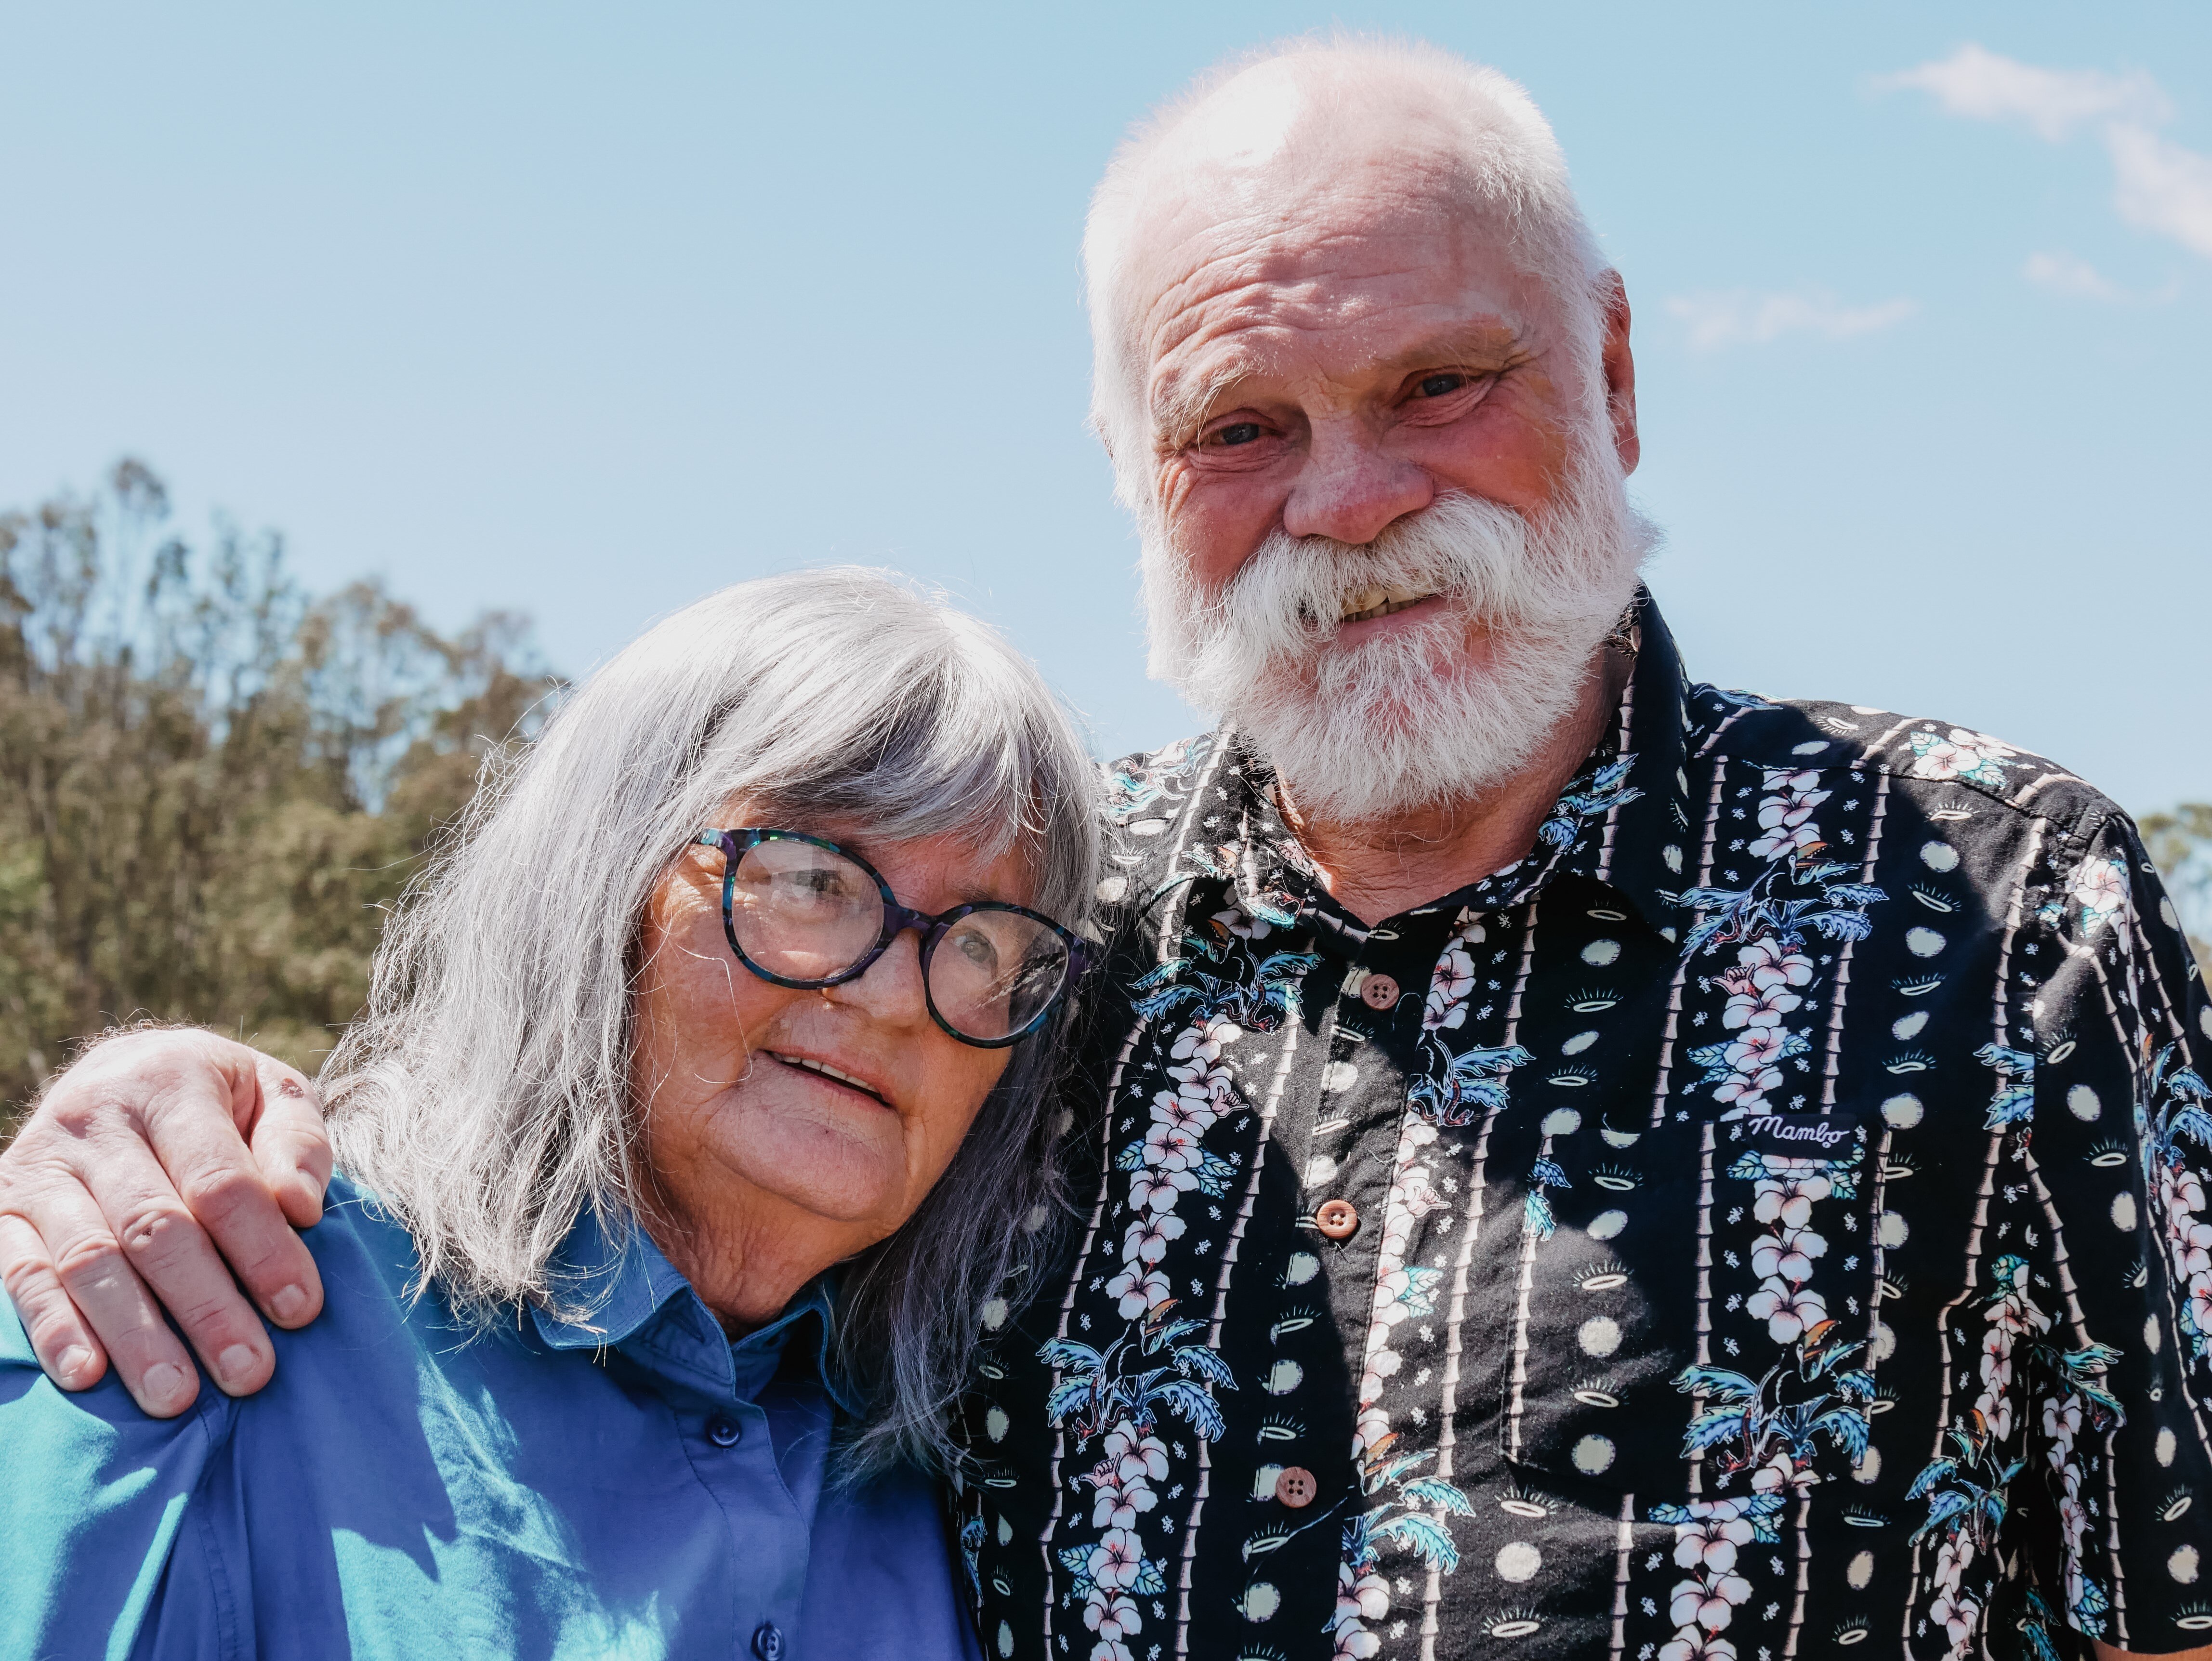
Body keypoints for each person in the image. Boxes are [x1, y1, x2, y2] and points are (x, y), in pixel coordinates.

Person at [7, 35, 2212, 1661]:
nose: (1350, 501)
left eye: (1442, 384)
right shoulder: (1042, 933)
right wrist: (184, 1105)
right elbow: (601, 1192)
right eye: (1243, 425)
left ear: (1614, 370)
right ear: (1129, 467)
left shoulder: (2002, 904)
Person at [0, 568, 1103, 1660]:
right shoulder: (174, 1294)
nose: (892, 996)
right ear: (600, 887)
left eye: (980, 942)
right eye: (812, 878)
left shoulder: (989, 1471)